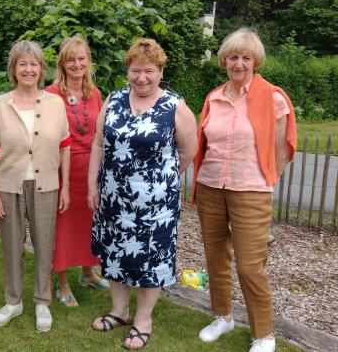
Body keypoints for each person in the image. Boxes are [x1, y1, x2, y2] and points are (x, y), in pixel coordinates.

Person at [191, 28, 297, 352]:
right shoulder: (214, 97)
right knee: (215, 257)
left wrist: (266, 180)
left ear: (255, 61)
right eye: (233, 57)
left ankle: (264, 334)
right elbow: (204, 143)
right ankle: (223, 317)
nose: (238, 64)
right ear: (224, 61)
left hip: (251, 190)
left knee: (250, 265)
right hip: (211, 186)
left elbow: (282, 148)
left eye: (245, 58)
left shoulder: (273, 97)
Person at [87, 38, 197, 350]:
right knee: (117, 254)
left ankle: (143, 320)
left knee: (150, 259)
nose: (142, 78)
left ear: (160, 71)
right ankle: (119, 312)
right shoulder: (114, 99)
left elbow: (189, 150)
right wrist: (93, 184)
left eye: (149, 71)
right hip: (114, 198)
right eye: (136, 71)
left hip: (156, 205)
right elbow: (98, 143)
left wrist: (162, 180)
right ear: (128, 71)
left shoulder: (174, 106)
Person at [0, 40, 71, 332]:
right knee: (11, 246)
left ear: (42, 69)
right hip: (9, 186)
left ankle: (42, 302)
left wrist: (65, 185)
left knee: (45, 245)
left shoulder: (55, 103)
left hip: (46, 185)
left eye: (34, 64)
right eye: (23, 64)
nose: (28, 69)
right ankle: (14, 301)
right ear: (14, 69)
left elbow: (65, 146)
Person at [46, 36, 108, 308]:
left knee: (89, 223)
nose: (77, 64)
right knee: (64, 225)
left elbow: (99, 132)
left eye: (81, 58)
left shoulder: (94, 93)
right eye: (71, 59)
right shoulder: (51, 94)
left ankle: (87, 272)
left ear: (88, 61)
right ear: (62, 63)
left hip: (91, 168)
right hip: (64, 168)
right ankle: (61, 282)